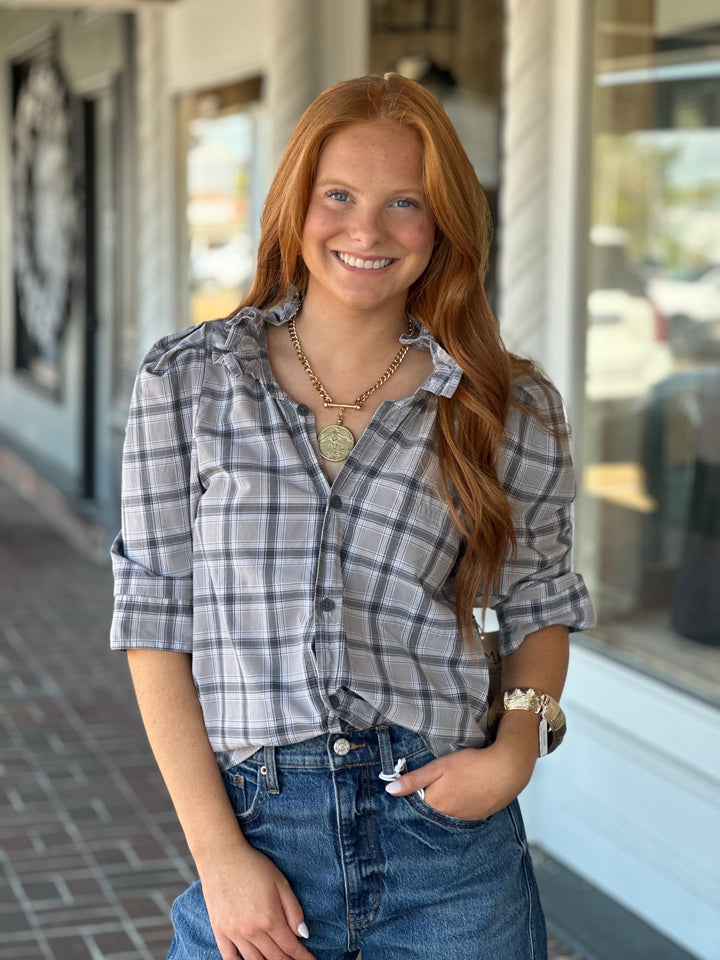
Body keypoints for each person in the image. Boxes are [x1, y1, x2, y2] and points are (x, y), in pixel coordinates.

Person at [110, 73, 594, 960]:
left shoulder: (506, 406)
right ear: (297, 203)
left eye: (405, 203)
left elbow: (540, 603)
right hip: (256, 834)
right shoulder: (185, 382)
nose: (366, 231)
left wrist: (515, 753)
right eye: (339, 195)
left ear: (443, 222)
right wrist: (219, 858)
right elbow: (154, 621)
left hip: (446, 847)